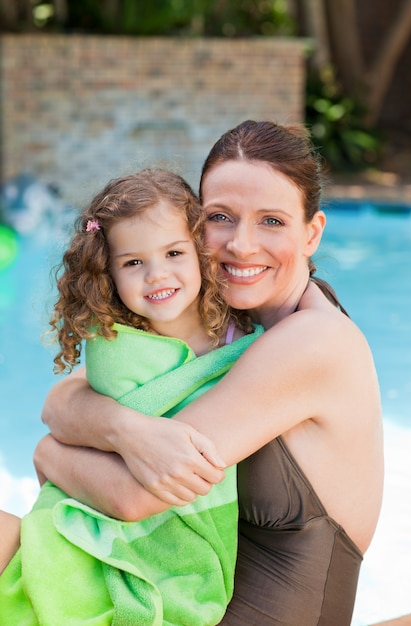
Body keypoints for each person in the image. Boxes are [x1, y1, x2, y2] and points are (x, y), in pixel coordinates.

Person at [35, 120, 385, 625]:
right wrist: (125, 430)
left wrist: (49, 451)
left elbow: (134, 496)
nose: (242, 245)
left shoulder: (313, 341)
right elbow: (65, 399)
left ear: (311, 232)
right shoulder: (232, 321)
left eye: (271, 221)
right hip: (187, 596)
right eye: (222, 217)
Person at [0, 167, 263, 625]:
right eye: (133, 263)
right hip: (85, 529)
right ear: (108, 273)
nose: (156, 275)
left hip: (163, 563)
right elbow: (63, 409)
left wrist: (47, 453)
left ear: (202, 252)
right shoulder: (119, 348)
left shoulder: (245, 348)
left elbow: (130, 494)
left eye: (174, 252)